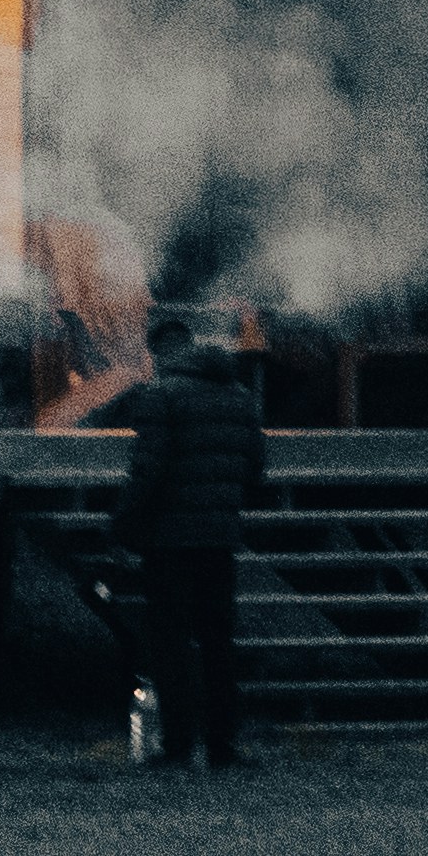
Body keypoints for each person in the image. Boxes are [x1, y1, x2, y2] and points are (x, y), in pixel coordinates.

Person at [119, 310, 265, 768]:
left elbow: (147, 471)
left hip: (169, 542)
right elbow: (256, 469)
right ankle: (223, 745)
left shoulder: (161, 396)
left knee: (171, 645)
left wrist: (122, 525)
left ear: (160, 351)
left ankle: (178, 745)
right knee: (219, 645)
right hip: (219, 540)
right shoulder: (240, 395)